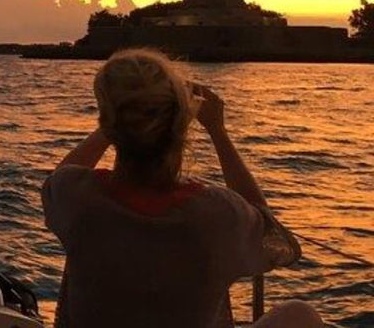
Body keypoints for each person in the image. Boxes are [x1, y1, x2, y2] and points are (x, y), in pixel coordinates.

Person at [41, 48, 321, 328]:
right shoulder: (218, 213)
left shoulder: (77, 197)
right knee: (300, 314)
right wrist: (218, 132)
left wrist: (120, 118)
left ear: (110, 121)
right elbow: (273, 238)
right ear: (178, 124)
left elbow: (55, 182)